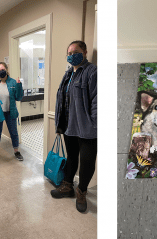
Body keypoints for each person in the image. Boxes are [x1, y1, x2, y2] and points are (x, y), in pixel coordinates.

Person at [50, 40, 97, 213]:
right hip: (69, 126)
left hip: (86, 129)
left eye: (75, 51)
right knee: (71, 158)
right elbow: (62, 100)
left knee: (87, 162)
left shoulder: (92, 72)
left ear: (84, 52)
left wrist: (93, 126)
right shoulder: (68, 74)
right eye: (69, 53)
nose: (71, 55)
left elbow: (97, 102)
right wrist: (59, 123)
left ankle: (82, 192)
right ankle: (67, 187)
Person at [0, 62, 24, 160]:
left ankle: (16, 151)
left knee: (13, 132)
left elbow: (18, 97)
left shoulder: (13, 82)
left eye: (2, 70)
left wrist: (19, 86)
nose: (0, 72)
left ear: (7, 69)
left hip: (10, 112)